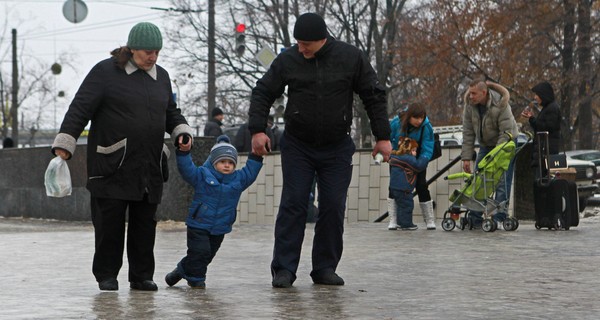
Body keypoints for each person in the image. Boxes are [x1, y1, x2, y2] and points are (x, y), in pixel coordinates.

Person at [248, 12, 392, 288]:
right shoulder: (289, 59)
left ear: (322, 39)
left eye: (306, 44)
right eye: (298, 43)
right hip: (298, 145)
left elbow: (373, 95)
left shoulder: (351, 58)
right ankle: (284, 269)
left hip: (337, 147)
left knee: (333, 206)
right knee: (294, 203)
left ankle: (325, 268)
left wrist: (382, 136)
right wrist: (257, 129)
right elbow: (263, 91)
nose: (301, 49)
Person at [50, 22, 193, 291]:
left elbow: (170, 112)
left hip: (148, 165)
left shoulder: (161, 76)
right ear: (132, 49)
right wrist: (65, 143)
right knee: (109, 225)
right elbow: (80, 108)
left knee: (145, 225)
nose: (152, 57)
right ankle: (106, 275)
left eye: (157, 52)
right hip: (112, 163)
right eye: (147, 52)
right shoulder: (105, 72)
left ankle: (141, 276)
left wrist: (180, 132)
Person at [165, 135, 263, 288]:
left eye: (230, 162)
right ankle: (196, 280)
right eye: (222, 162)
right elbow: (187, 169)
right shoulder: (202, 175)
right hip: (199, 224)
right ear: (213, 162)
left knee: (206, 256)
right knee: (200, 252)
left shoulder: (238, 180)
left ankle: (180, 271)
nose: (226, 165)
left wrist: (256, 156)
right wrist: (184, 153)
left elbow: (250, 172)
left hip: (220, 227)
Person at [461, 78, 519, 225]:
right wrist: (466, 157)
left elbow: (506, 133)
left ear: (484, 92)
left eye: (474, 93)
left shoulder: (500, 104)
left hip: (506, 143)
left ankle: (500, 216)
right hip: (486, 144)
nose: (471, 96)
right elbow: (468, 132)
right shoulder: (470, 106)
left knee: (502, 180)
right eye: (470, 93)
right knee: (479, 178)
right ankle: (475, 215)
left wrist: (496, 156)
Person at [387, 103, 437, 231]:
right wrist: (390, 155)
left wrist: (422, 161)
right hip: (398, 160)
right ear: (409, 116)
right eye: (416, 118)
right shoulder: (396, 123)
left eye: (421, 118)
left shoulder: (426, 127)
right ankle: (393, 220)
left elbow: (428, 145)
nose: (419, 121)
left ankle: (429, 219)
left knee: (421, 186)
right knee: (394, 187)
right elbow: (388, 139)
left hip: (417, 161)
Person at [521, 81, 561, 179]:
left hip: (545, 153)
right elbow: (542, 127)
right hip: (543, 152)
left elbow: (547, 127)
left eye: (537, 95)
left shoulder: (551, 108)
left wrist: (533, 119)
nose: (535, 97)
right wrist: (532, 119)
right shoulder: (548, 108)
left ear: (543, 95)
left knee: (542, 181)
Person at [389, 137, 429, 230]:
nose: (415, 153)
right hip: (404, 188)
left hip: (394, 187)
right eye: (414, 150)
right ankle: (406, 224)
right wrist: (424, 158)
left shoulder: (396, 157)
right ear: (409, 150)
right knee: (407, 205)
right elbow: (418, 166)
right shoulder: (408, 159)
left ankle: (399, 222)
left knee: (400, 205)